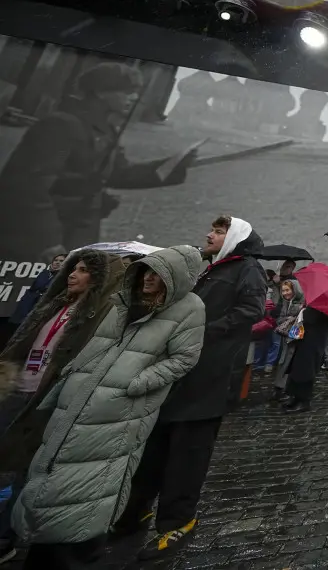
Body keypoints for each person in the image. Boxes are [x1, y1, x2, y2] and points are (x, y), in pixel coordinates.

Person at [12, 246, 206, 569]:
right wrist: (73, 374)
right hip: (81, 398)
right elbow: (97, 346)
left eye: (158, 274)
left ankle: (73, 550)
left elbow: (184, 358)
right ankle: (43, 543)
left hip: (120, 411)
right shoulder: (124, 301)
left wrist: (138, 382)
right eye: (147, 271)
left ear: (175, 278)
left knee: (91, 484)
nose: (148, 278)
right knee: (55, 469)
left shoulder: (190, 308)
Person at [112, 215, 266, 561]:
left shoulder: (248, 268)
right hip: (179, 372)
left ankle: (177, 521)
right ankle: (135, 509)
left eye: (218, 230)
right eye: (212, 230)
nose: (209, 235)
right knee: (153, 447)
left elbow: (250, 311)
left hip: (208, 378)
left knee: (187, 455)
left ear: (236, 236)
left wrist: (201, 332)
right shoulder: (212, 267)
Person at [0, 250, 125, 563]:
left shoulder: (97, 315)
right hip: (18, 391)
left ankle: (8, 535)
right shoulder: (54, 304)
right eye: (72, 269)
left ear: (97, 280)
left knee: (27, 472)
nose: (72, 274)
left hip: (46, 400)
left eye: (83, 270)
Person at [0, 64, 195, 261]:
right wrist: (48, 242)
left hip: (77, 233)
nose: (134, 98)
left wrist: (173, 165)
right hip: (40, 238)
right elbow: (28, 187)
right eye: (127, 92)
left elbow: (118, 173)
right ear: (101, 92)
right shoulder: (60, 125)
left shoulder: (105, 128)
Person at [3, 254, 67, 348]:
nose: (57, 262)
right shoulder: (44, 273)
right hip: (27, 305)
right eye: (56, 260)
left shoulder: (64, 278)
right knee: (14, 332)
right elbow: (36, 287)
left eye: (61, 261)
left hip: (42, 309)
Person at [284, 299, 328, 413]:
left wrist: (303, 311)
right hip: (305, 339)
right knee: (298, 368)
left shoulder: (325, 305)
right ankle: (295, 397)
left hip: (313, 341)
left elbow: (311, 317)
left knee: (306, 370)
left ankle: (304, 401)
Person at [269, 278, 305, 401]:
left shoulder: (302, 303)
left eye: (287, 290)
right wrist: (286, 319)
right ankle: (279, 387)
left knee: (290, 363)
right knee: (283, 362)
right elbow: (279, 318)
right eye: (283, 291)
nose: (285, 293)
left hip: (296, 338)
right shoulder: (285, 302)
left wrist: (293, 318)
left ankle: (286, 388)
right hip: (285, 337)